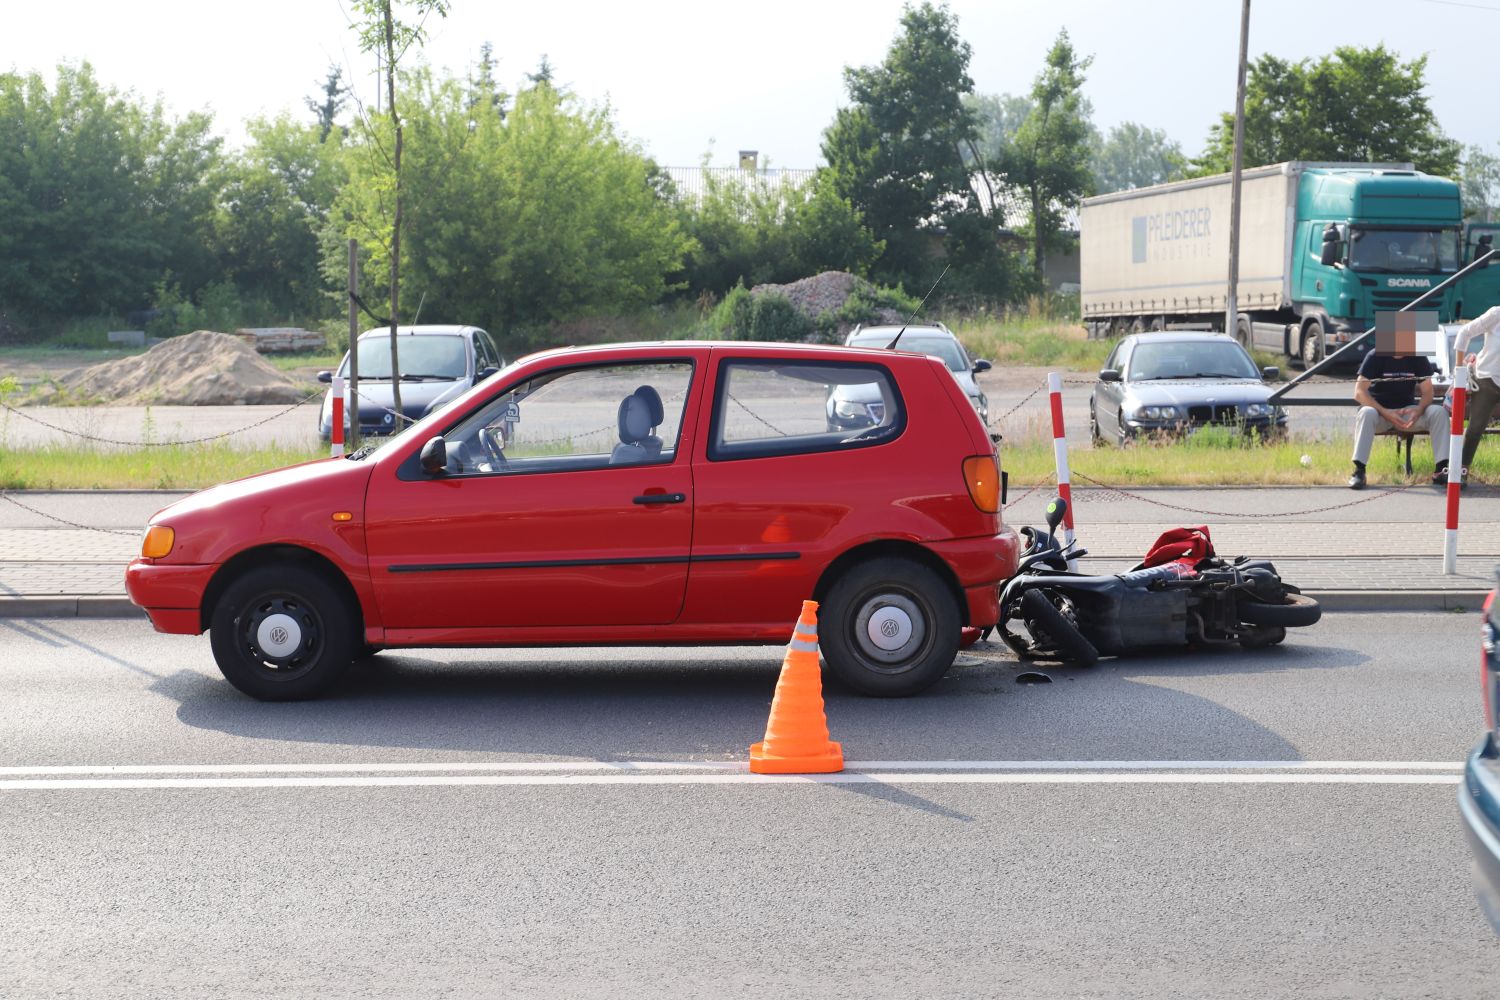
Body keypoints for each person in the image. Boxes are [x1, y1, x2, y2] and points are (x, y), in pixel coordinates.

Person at [1347, 330, 1449, 489]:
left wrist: (1419, 410)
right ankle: (1359, 471)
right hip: (1379, 413)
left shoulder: (1418, 357)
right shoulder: (1375, 356)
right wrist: (1386, 412)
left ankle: (1441, 470)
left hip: (1406, 414)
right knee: (1366, 412)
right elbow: (1359, 393)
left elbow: (1428, 392)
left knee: (1439, 412)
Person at [1454, 305, 1500, 488]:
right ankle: (1461, 470)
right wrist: (1459, 368)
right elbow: (1465, 332)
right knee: (1475, 428)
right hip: (1487, 379)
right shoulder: (1496, 313)